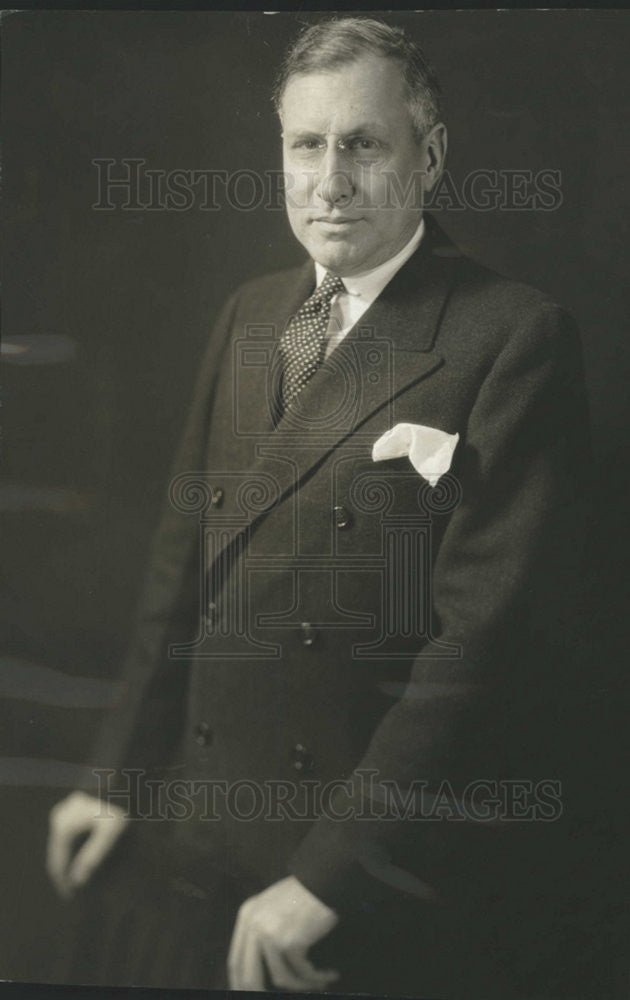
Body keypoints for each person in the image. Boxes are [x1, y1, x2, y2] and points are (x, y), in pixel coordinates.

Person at [46, 16, 598, 998]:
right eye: (306, 144)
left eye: (363, 143)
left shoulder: (512, 338)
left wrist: (326, 873)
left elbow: (476, 653)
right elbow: (186, 568)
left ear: (428, 157)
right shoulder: (253, 313)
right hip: (201, 838)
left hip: (369, 871)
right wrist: (113, 773)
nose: (329, 180)